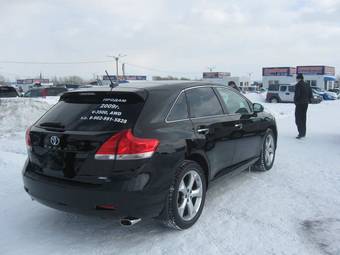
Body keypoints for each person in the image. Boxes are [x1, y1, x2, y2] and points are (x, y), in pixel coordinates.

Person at [294, 73, 313, 139]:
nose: (296, 80)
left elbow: (297, 95)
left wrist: (295, 102)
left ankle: (300, 133)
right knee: (303, 118)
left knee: (298, 119)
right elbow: (311, 94)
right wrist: (309, 100)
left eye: (297, 78)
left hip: (299, 104)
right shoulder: (307, 84)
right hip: (306, 104)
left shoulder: (298, 85)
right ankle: (303, 133)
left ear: (299, 78)